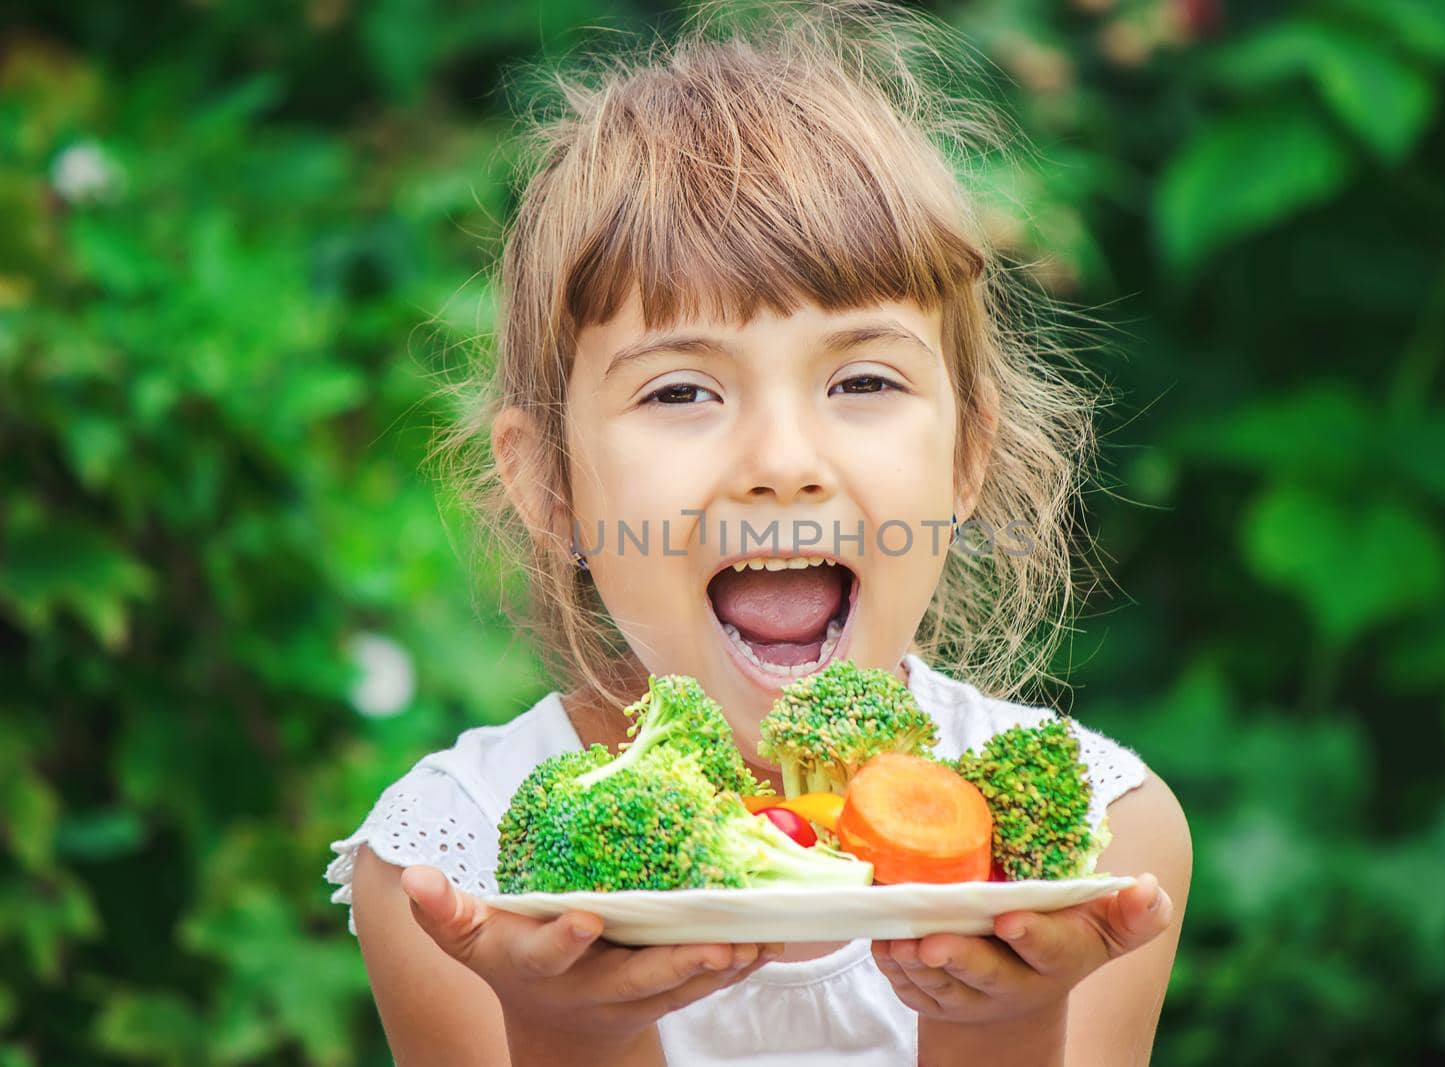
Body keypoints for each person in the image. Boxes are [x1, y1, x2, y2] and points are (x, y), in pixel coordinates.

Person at [324, 2, 1191, 1063]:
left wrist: (1007, 1016)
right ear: (549, 480)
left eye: (862, 379)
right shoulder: (454, 864)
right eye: (683, 391)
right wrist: (564, 1026)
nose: (784, 461)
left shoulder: (1100, 844)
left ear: (967, 453)